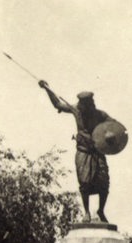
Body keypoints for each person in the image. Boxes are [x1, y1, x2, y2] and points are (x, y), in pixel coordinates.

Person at [38, 82, 112, 222]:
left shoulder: (100, 115)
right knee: (84, 182)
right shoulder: (76, 110)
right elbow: (58, 104)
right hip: (83, 151)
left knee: (104, 182)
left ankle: (101, 211)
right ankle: (87, 212)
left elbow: (114, 126)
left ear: (91, 104)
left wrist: (108, 136)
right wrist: (47, 89)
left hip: (97, 152)